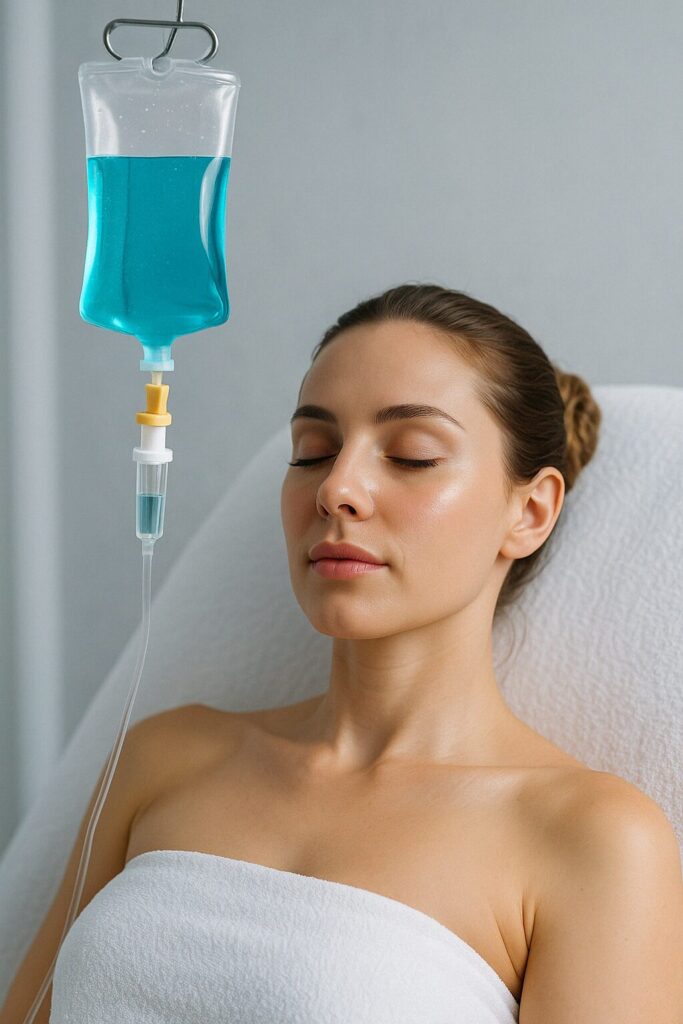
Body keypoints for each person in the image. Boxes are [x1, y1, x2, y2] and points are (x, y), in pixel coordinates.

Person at [4, 283, 682, 1023]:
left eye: (412, 455)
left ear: (529, 511)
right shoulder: (165, 758)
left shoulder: (590, 839)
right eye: (313, 452)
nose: (336, 488)